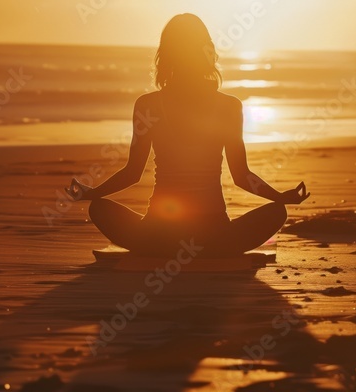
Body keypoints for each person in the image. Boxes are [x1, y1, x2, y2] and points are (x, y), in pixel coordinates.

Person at [65, 13, 310, 258]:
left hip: (158, 233)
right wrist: (279, 197)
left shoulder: (147, 105)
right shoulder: (228, 106)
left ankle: (160, 247)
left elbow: (132, 173)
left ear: (166, 55)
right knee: (277, 212)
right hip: (213, 233)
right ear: (206, 52)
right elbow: (242, 176)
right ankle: (208, 249)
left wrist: (92, 193)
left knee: (99, 208)